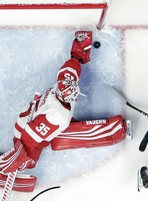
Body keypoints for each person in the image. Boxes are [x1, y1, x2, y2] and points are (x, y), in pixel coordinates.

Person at [0, 30, 93, 175]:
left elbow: (31, 137)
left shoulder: (59, 100)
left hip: (39, 120)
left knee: (35, 141)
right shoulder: (60, 103)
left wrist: (79, 50)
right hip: (33, 120)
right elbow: (30, 137)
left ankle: (23, 160)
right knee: (27, 137)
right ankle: (17, 160)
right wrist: (19, 156)